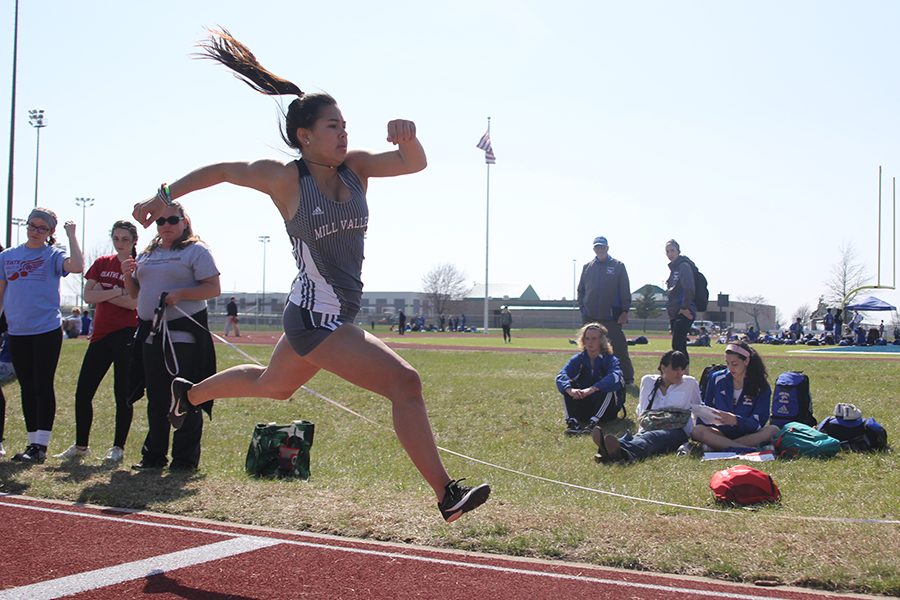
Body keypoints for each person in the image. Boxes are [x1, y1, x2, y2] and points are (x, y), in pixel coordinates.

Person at [130, 29, 489, 521]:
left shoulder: (356, 168)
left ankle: (188, 393)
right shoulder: (284, 178)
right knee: (405, 383)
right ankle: (446, 494)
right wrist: (163, 197)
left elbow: (413, 163)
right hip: (315, 316)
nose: (344, 134)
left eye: (345, 125)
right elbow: (223, 170)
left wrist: (409, 135)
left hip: (327, 311)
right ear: (305, 135)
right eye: (333, 126)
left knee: (273, 386)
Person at [122, 203, 221, 471]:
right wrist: (127, 275)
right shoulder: (148, 253)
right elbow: (135, 294)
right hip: (151, 333)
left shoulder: (196, 251)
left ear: (184, 221)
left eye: (172, 220)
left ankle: (184, 460)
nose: (166, 224)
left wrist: (181, 294)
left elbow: (213, 288)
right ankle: (153, 456)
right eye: (160, 221)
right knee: (156, 396)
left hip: (182, 335)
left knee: (186, 395)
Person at [0, 208, 83, 462]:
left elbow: (78, 266)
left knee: (42, 384)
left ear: (50, 232)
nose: (36, 232)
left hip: (46, 329)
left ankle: (41, 445)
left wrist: (72, 235)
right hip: (18, 330)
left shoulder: (53, 255)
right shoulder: (7, 256)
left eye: (42, 228)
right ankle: (31, 443)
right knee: (27, 386)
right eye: (32, 226)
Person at [54, 221, 140, 463]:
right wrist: (117, 292)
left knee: (122, 394)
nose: (120, 243)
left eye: (125, 239)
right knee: (83, 392)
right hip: (100, 336)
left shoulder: (138, 265)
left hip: (126, 334)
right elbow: (89, 295)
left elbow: (133, 302)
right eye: (116, 238)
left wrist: (106, 291)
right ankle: (81, 445)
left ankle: (117, 448)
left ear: (134, 240)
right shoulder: (102, 262)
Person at [592, 350, 700, 463]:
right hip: (650, 426)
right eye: (675, 369)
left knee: (651, 438)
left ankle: (619, 452)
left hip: (677, 431)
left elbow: (698, 408)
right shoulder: (648, 381)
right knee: (634, 436)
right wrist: (643, 429)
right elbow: (643, 410)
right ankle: (611, 451)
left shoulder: (690, 383)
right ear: (663, 368)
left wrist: (699, 434)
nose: (680, 373)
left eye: (682, 369)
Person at [691, 340, 779, 451]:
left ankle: (722, 446)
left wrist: (736, 420)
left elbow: (758, 423)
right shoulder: (716, 378)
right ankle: (746, 449)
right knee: (697, 430)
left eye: (734, 364)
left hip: (749, 434)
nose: (730, 368)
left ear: (746, 361)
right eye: (727, 363)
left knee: (773, 430)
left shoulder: (760, 385)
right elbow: (706, 407)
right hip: (720, 432)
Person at [577, 235, 634, 384]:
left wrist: (625, 311)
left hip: (611, 316)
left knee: (619, 348)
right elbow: (581, 290)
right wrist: (583, 308)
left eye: (602, 247)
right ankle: (589, 376)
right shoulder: (587, 267)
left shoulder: (618, 266)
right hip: (590, 317)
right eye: (597, 247)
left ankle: (627, 378)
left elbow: (624, 290)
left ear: (607, 248)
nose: (600, 249)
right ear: (594, 249)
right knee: (589, 348)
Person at [555, 322, 624, 435]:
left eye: (594, 339)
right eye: (587, 338)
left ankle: (593, 424)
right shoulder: (578, 359)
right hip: (584, 405)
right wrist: (570, 390)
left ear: (601, 341)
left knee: (608, 387)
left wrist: (592, 389)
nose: (590, 342)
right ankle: (572, 423)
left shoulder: (610, 360)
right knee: (568, 385)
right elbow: (561, 375)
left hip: (607, 411)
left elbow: (615, 377)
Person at [664, 239, 696, 362]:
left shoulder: (683, 266)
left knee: (678, 346)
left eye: (672, 250)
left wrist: (684, 307)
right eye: (667, 251)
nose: (670, 254)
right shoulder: (673, 269)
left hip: (684, 310)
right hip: (675, 311)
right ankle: (683, 375)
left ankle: (683, 376)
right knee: (679, 346)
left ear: (678, 251)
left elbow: (689, 288)